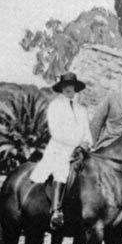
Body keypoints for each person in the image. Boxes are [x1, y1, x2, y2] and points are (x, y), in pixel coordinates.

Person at [30, 72, 92, 230]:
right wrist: (73, 145)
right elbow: (55, 132)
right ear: (62, 88)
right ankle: (56, 210)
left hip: (80, 151)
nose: (69, 88)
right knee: (62, 169)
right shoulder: (55, 106)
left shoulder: (82, 110)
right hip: (59, 148)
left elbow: (87, 132)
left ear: (75, 88)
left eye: (71, 85)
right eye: (66, 86)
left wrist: (85, 145)